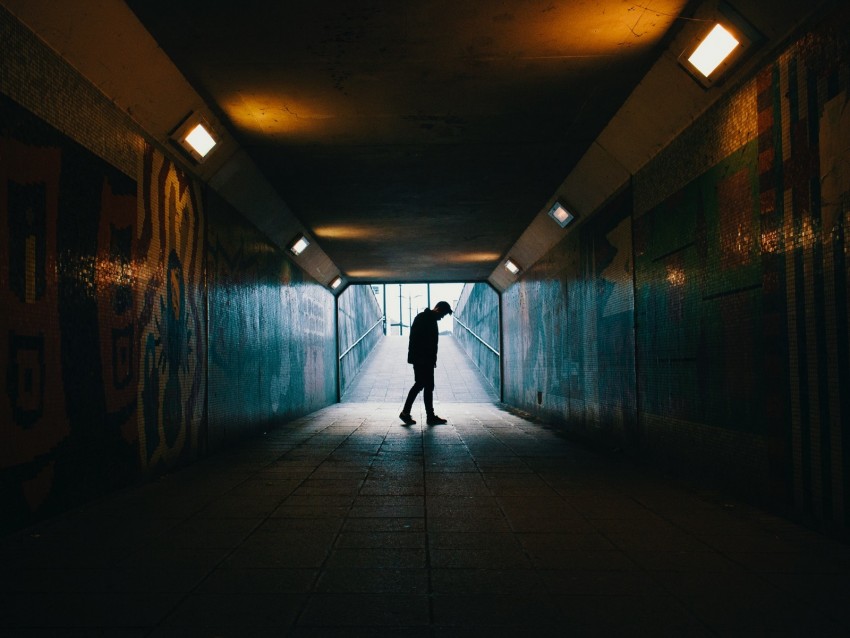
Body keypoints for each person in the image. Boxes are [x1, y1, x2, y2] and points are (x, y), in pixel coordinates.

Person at [399, 301, 452, 425]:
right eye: (443, 314)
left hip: (424, 359)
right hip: (422, 360)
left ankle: (425, 415)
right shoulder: (425, 318)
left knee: (425, 386)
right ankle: (413, 414)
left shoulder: (428, 318)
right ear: (438, 309)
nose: (442, 317)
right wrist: (424, 359)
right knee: (421, 385)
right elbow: (418, 341)